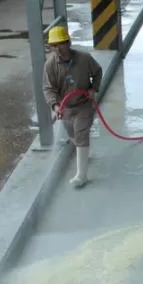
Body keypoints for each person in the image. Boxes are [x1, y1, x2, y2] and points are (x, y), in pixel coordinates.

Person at [42, 25, 102, 188]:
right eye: (54, 45)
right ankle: (83, 152)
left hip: (83, 104)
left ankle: (81, 176)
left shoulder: (84, 59)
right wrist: (55, 106)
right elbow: (49, 88)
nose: (58, 48)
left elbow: (97, 72)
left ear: (68, 42)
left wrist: (93, 88)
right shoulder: (50, 65)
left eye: (61, 43)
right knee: (73, 135)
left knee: (81, 134)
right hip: (65, 107)